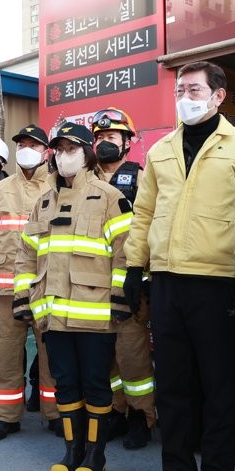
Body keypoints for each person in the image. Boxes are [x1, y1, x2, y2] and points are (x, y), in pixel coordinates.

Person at [126, 60, 235, 471]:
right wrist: (134, 266)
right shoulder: (161, 150)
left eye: (194, 88)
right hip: (167, 279)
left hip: (218, 281)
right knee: (172, 383)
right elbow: (144, 211)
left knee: (219, 385)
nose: (185, 96)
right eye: (180, 89)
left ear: (218, 95)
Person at [13, 123, 132, 471]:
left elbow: (125, 252)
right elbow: (26, 255)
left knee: (95, 384)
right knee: (65, 383)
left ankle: (95, 455)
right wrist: (22, 297)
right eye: (59, 149)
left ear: (87, 153)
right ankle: (71, 451)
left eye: (72, 148)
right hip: (53, 315)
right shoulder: (44, 201)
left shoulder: (109, 196)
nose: (64, 155)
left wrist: (122, 297)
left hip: (95, 312)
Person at [0, 125, 61, 441]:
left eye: (33, 144)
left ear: (46, 151)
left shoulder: (58, 185)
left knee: (53, 356)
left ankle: (56, 414)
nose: (26, 148)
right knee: (4, 354)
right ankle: (4, 416)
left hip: (47, 287)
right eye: (21, 143)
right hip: (6, 287)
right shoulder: (1, 189)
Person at [91, 107, 155, 450]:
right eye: (99, 138)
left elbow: (149, 225)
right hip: (93, 282)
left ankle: (141, 417)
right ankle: (115, 410)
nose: (104, 143)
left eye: (111, 138)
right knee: (106, 357)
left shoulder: (141, 178)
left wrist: (144, 275)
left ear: (127, 143)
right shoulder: (85, 180)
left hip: (130, 282)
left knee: (132, 354)